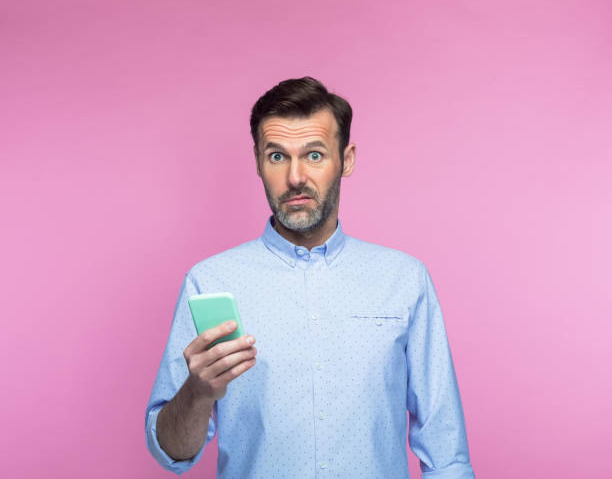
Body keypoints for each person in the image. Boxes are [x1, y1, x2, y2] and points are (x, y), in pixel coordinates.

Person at [145, 76, 476, 478]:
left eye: (315, 155)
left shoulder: (405, 280)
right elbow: (171, 453)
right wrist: (198, 392)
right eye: (278, 156)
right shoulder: (210, 282)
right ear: (258, 162)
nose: (296, 177)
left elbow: (445, 451)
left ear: (347, 159)